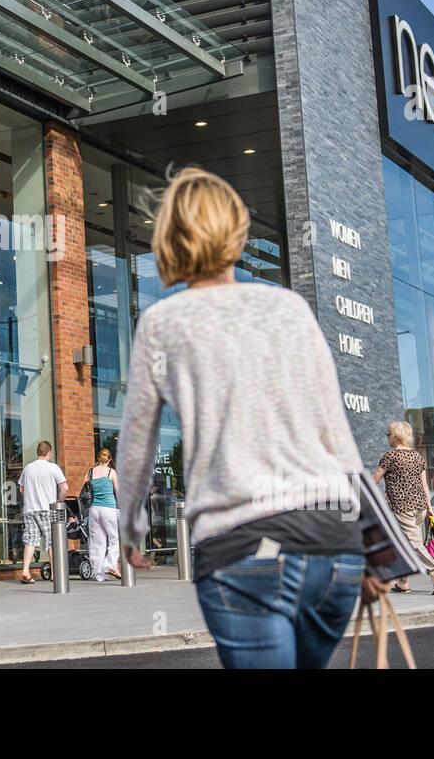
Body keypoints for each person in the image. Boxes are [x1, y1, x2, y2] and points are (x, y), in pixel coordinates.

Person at [117, 165, 384, 669]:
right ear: (236, 231)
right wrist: (373, 542)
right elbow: (338, 435)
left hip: (242, 545)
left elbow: (137, 444)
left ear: (169, 238)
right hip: (333, 545)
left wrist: (132, 530)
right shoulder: (289, 308)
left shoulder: (162, 323)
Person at [372, 422, 434, 595]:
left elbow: (375, 479)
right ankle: (402, 583)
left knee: (413, 542)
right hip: (419, 506)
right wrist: (429, 508)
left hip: (401, 507)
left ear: (395, 437)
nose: (387, 437)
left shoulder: (390, 457)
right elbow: (425, 485)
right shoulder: (417, 457)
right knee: (403, 543)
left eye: (388, 434)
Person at [17, 440, 66, 584]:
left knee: (30, 541)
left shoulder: (28, 468)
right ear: (49, 453)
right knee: (51, 541)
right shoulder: (52, 468)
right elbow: (65, 488)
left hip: (30, 510)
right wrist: (59, 501)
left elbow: (21, 489)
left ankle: (25, 570)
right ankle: (55, 573)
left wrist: (31, 497)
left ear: (38, 452)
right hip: (46, 509)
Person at [83, 449, 120, 581]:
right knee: (114, 539)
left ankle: (99, 574)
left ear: (98, 458)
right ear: (109, 460)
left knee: (97, 542)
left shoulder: (90, 472)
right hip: (108, 509)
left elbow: (84, 491)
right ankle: (110, 565)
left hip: (94, 509)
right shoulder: (111, 472)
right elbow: (118, 492)